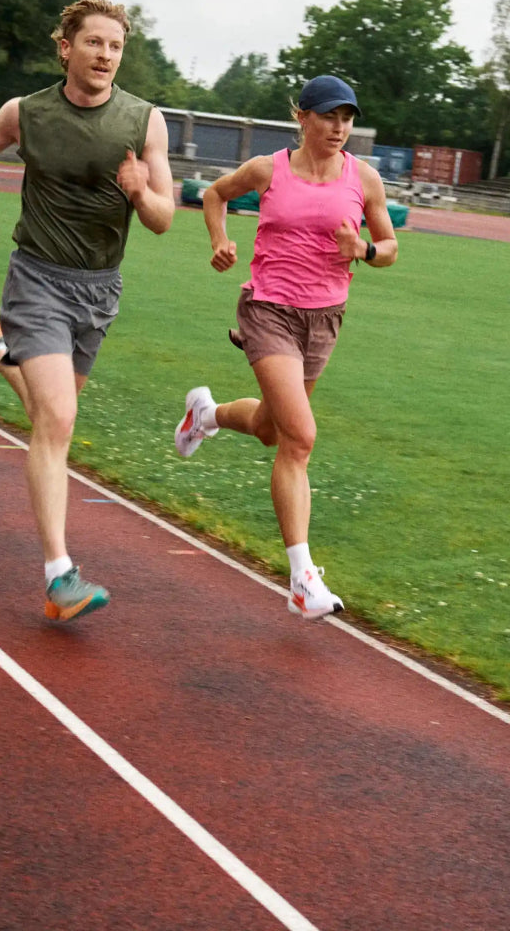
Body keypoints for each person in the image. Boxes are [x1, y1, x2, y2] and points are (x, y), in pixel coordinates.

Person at [0, 0, 175, 621]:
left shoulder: (144, 122)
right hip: (38, 279)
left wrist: (140, 192)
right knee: (58, 419)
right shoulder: (27, 113)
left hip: (100, 289)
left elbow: (162, 219)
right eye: (94, 43)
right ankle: (60, 577)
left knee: (50, 416)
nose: (105, 55)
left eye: (115, 46)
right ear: (66, 48)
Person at [174, 75, 398, 620]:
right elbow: (213, 195)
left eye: (347, 117)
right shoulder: (268, 169)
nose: (340, 127)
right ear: (303, 117)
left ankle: (206, 413)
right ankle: (302, 579)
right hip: (268, 310)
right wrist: (220, 240)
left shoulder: (363, 179)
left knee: (274, 429)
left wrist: (363, 248)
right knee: (300, 438)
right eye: (328, 116)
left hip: (324, 320)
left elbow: (390, 247)